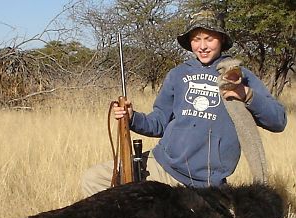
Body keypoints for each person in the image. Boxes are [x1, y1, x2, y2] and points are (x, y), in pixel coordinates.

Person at [81, 9, 287, 197]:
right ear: (189, 42)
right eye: (196, 39)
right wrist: (132, 117)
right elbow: (159, 122)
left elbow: (278, 121)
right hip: (161, 167)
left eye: (209, 38)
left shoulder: (239, 75)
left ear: (222, 39)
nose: (203, 46)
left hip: (206, 185)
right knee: (93, 179)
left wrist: (247, 94)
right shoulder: (177, 74)